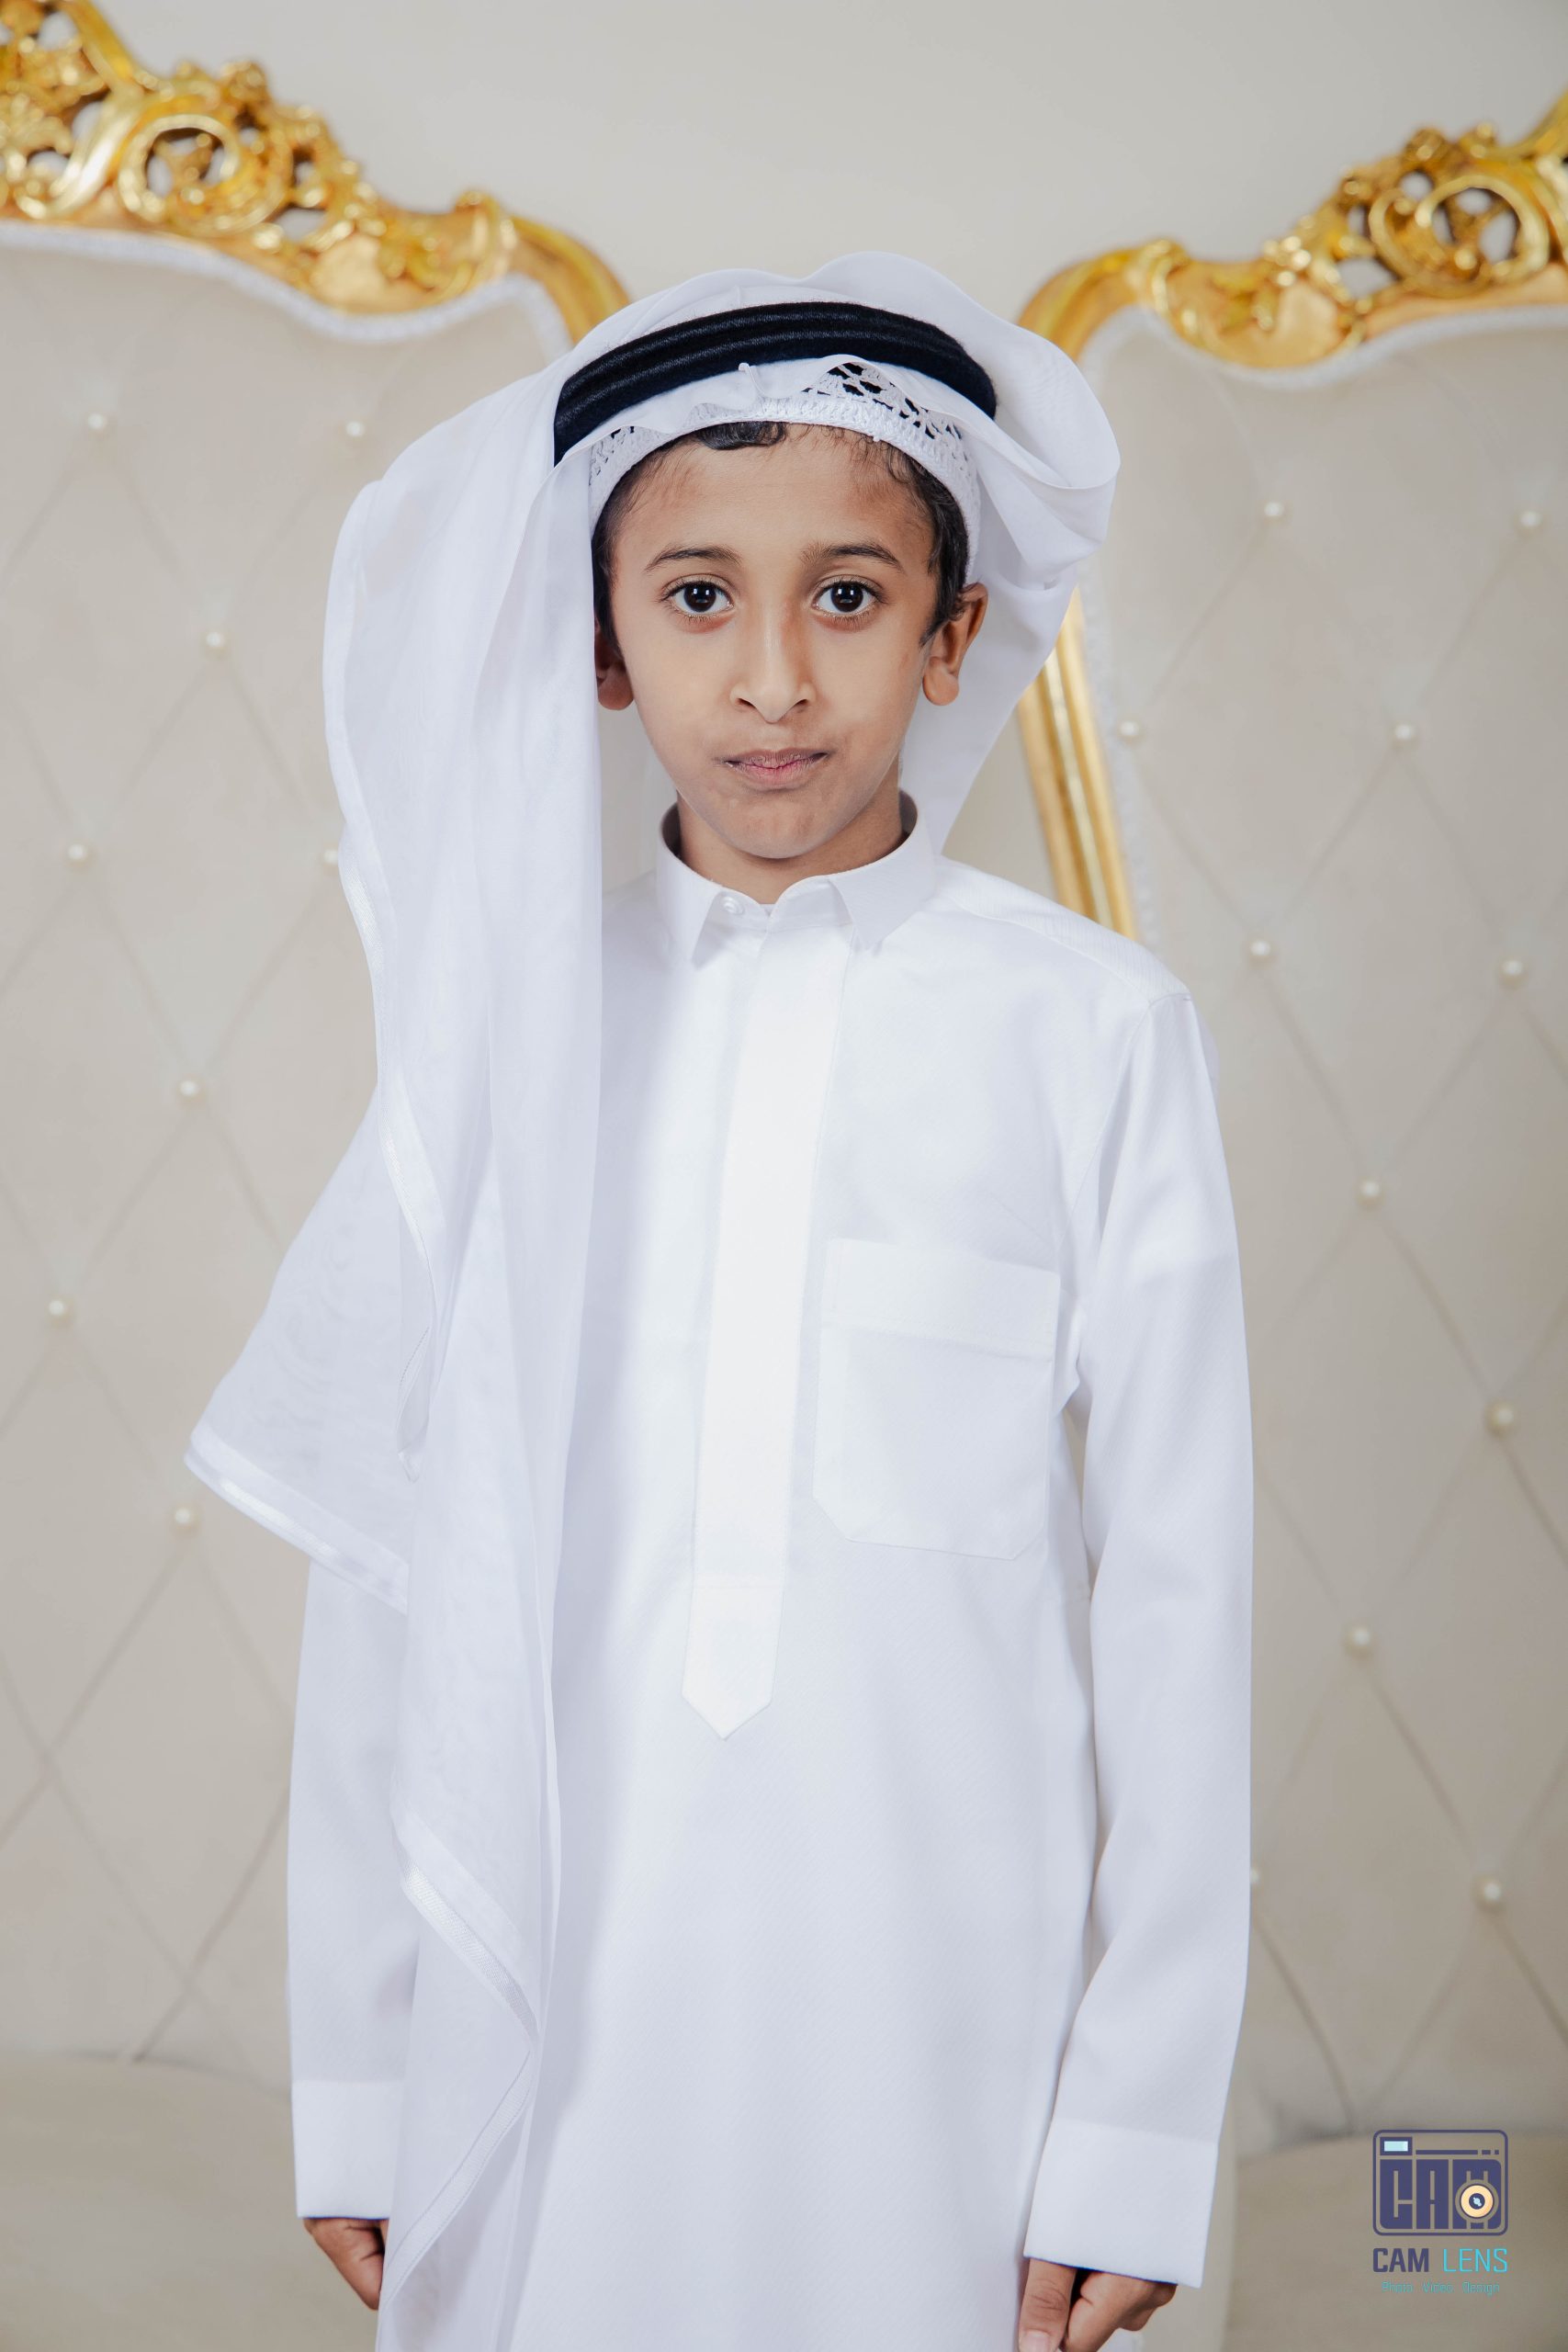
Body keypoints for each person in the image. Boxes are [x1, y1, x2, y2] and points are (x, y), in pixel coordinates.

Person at [186, 254, 1253, 2352]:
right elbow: (395, 1578)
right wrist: (365, 2075)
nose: (772, 677)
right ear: (599, 643)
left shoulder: (1092, 1033)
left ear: (953, 635)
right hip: (556, 1999)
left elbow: (1178, 1609)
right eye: (695, 596)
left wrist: (1135, 2130)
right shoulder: (509, 1039)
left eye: (846, 595)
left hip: (944, 2015)